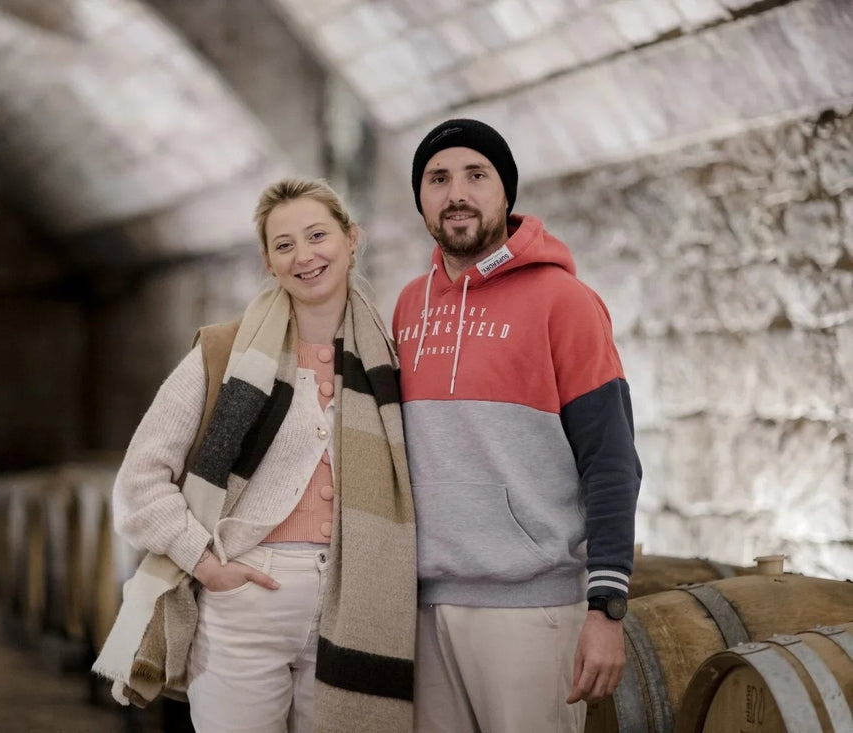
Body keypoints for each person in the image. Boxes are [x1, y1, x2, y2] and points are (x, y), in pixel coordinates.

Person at [93, 178, 416, 733]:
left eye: (318, 235)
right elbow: (138, 484)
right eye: (284, 244)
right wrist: (205, 562)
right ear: (268, 261)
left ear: (352, 239)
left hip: (356, 601)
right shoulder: (223, 352)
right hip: (246, 600)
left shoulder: (393, 357)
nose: (304, 255)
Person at [392, 118, 642, 732]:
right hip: (421, 610)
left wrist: (607, 608)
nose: (457, 193)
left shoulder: (565, 302)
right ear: (421, 198)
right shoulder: (406, 306)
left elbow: (611, 460)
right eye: (437, 178)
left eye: (476, 176)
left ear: (506, 193)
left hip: (532, 610)